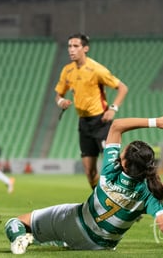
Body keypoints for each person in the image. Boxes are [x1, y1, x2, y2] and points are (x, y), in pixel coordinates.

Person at [4, 117, 163, 254]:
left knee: (16, 222)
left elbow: (117, 126)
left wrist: (154, 122)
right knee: (63, 242)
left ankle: (19, 239)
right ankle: (55, 241)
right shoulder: (149, 192)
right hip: (100, 246)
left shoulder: (111, 170)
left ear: (124, 162)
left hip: (74, 221)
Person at [55, 33, 128, 189]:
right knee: (89, 171)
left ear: (85, 48)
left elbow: (122, 88)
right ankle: (100, 203)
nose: (71, 50)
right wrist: (61, 101)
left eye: (75, 46)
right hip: (84, 123)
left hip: (101, 122)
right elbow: (59, 94)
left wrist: (113, 109)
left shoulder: (96, 69)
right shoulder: (67, 71)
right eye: (69, 46)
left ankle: (125, 199)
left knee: (113, 167)